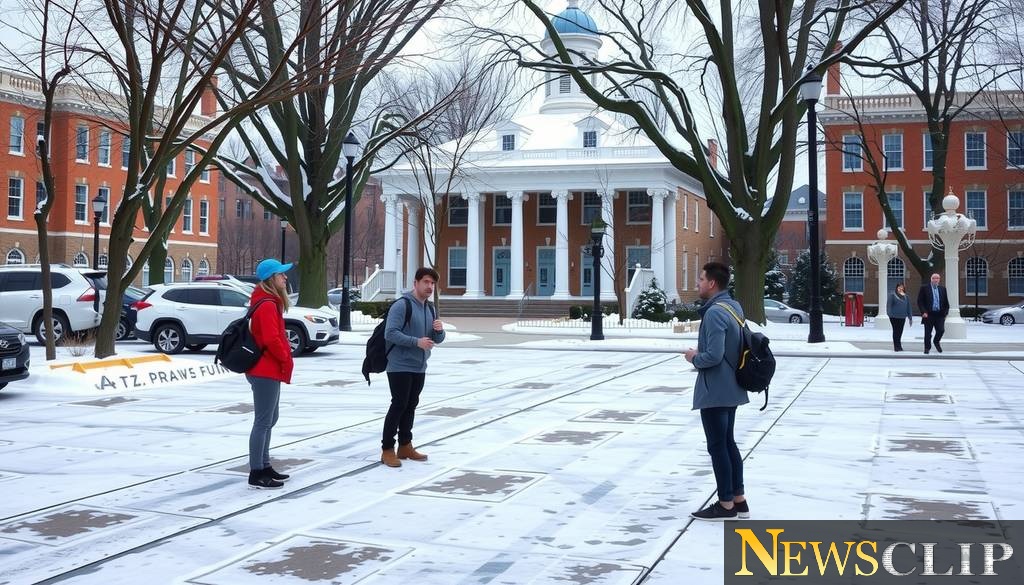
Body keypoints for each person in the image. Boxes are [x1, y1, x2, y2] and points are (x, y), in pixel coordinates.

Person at [683, 261, 749, 521]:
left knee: (718, 446)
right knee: (728, 443)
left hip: (715, 390)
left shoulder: (713, 313)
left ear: (712, 283)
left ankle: (725, 504)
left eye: (700, 279)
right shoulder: (733, 307)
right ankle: (738, 498)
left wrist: (693, 358)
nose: (697, 283)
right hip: (731, 386)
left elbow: (714, 355)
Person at [380, 267, 445, 468]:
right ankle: (387, 449)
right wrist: (416, 342)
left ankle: (405, 445)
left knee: (411, 405)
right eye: (426, 282)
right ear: (415, 283)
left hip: (419, 366)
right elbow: (390, 333)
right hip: (399, 365)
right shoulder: (402, 305)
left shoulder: (430, 308)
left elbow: (437, 339)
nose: (429, 286)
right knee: (399, 404)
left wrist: (440, 332)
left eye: (432, 283)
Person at [245, 258, 295, 489]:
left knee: (270, 419)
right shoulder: (266, 305)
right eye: (281, 274)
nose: (285, 277)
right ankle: (256, 471)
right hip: (265, 368)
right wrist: (285, 356)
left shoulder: (270, 302)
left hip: (269, 368)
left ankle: (264, 465)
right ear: (270, 279)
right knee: (263, 421)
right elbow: (271, 338)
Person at [916, 273, 949, 354]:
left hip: (939, 315)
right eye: (934, 278)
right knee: (927, 333)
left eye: (937, 278)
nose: (935, 280)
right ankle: (927, 348)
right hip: (928, 314)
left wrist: (945, 313)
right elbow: (920, 301)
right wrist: (923, 312)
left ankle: (936, 341)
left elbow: (946, 302)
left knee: (941, 330)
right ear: (931, 279)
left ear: (939, 280)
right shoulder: (924, 288)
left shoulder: (943, 289)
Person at [887, 282, 913, 352]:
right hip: (893, 317)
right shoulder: (892, 295)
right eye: (899, 287)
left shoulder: (906, 297)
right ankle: (896, 346)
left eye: (902, 287)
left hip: (902, 317)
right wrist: (889, 314)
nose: (900, 288)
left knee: (900, 331)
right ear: (897, 288)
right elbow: (889, 305)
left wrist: (910, 318)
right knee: (896, 331)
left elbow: (909, 307)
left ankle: (899, 345)